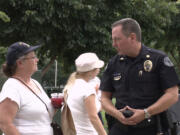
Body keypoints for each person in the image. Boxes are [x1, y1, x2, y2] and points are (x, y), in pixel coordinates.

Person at [100, 18, 180, 135]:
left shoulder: (158, 59)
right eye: (113, 40)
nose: (114, 44)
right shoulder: (114, 63)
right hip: (121, 129)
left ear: (132, 37)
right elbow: (104, 98)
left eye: (117, 39)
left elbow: (173, 95)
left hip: (152, 128)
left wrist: (146, 113)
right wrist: (116, 113)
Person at [0, 42, 55, 135]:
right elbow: (4, 124)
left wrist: (56, 104)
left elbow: (43, 116)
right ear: (20, 63)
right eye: (33, 57)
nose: (37, 60)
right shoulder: (12, 87)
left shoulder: (35, 82)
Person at [63, 52, 107, 135]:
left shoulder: (71, 86)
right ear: (90, 71)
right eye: (97, 68)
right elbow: (93, 117)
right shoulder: (87, 89)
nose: (99, 70)